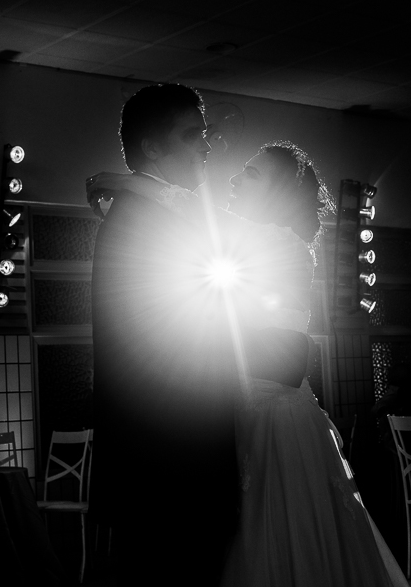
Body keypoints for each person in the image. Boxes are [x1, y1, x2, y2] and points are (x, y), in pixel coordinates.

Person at [86, 84, 309, 586]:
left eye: (205, 134)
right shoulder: (146, 223)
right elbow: (178, 347)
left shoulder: (151, 212)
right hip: (172, 467)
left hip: (168, 463)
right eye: (192, 135)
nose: (206, 145)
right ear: (153, 148)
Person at [219, 141, 409, 587]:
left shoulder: (281, 244)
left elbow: (286, 362)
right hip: (249, 412)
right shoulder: (244, 244)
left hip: (275, 422)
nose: (232, 180)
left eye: (250, 174)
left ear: (279, 193)